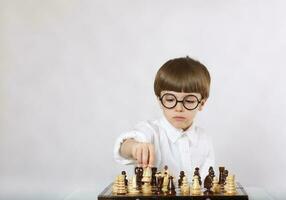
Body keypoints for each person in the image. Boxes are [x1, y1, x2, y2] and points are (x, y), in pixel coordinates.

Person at [113, 56, 215, 178]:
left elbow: (206, 183)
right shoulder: (151, 131)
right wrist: (135, 147)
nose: (179, 108)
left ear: (201, 104)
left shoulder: (205, 139)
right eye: (170, 99)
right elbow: (124, 146)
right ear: (160, 101)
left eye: (189, 101)